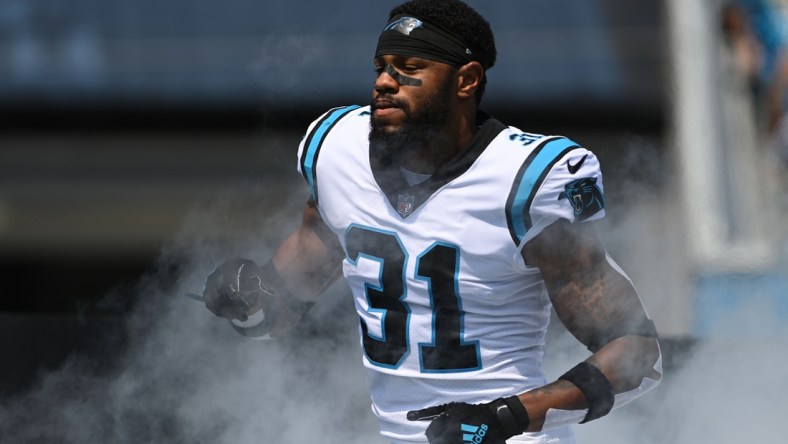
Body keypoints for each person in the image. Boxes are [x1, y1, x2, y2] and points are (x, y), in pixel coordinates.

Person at [200, 1, 662, 443]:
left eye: (409, 68)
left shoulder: (524, 181)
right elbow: (274, 316)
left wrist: (504, 418)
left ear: (466, 80)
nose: (384, 81)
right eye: (381, 66)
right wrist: (244, 298)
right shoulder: (338, 153)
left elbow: (639, 353)